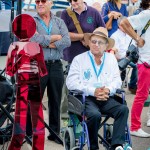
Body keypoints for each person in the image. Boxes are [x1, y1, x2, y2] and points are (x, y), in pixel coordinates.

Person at [66, 27, 130, 150]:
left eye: (100, 42)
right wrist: (92, 91)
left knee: (123, 109)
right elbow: (71, 82)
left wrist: (108, 90)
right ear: (89, 42)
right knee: (94, 115)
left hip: (105, 97)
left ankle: (117, 145)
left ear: (106, 46)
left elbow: (117, 80)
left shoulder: (111, 59)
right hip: (86, 98)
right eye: (93, 41)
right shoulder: (79, 59)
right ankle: (93, 147)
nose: (96, 45)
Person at [30, 0, 71, 143]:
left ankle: (54, 133)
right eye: (37, 1)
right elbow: (33, 39)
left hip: (56, 66)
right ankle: (30, 133)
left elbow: (67, 41)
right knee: (35, 100)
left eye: (43, 1)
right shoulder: (31, 21)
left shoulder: (59, 21)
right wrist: (54, 39)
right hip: (37, 65)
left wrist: (47, 44)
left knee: (55, 100)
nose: (39, 4)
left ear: (51, 3)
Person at [6, 14, 47, 150]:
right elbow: (42, 71)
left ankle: (19, 147)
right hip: (27, 85)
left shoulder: (15, 46)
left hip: (27, 85)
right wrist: (25, 58)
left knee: (27, 120)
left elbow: (10, 71)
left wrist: (23, 59)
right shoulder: (31, 46)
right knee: (33, 121)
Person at [60, 0, 105, 118]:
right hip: (70, 58)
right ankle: (67, 120)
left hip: (91, 60)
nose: (73, 3)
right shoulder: (66, 13)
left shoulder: (94, 12)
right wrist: (84, 36)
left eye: (75, 0)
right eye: (70, 1)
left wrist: (92, 40)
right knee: (68, 92)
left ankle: (90, 116)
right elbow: (63, 35)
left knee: (90, 89)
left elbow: (103, 33)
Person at [120, 0, 150, 137]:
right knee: (141, 95)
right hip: (146, 62)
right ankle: (134, 126)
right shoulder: (147, 14)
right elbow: (124, 22)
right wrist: (138, 38)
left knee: (142, 95)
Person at [111, 16, 137, 93]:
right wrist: (126, 56)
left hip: (131, 56)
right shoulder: (114, 36)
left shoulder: (130, 34)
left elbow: (134, 46)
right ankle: (132, 86)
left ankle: (133, 84)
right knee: (136, 66)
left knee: (142, 63)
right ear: (119, 26)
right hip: (121, 58)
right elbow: (116, 52)